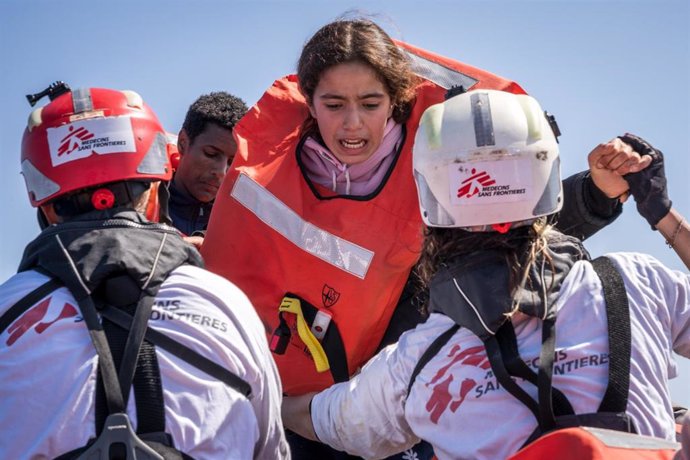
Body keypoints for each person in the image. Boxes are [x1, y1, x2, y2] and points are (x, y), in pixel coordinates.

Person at [201, 18, 649, 458]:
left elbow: (514, 219)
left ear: (395, 101)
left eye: (370, 103)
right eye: (334, 104)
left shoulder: (439, 156)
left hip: (396, 386)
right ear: (309, 102)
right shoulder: (269, 168)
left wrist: (596, 193)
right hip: (293, 400)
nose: (352, 124)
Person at [281, 89, 690, 459]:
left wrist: (266, 393)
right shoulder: (638, 283)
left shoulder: (415, 362)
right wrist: (661, 213)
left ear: (430, 197)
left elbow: (323, 419)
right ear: (546, 180)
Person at [0, 82, 289, 459]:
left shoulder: (7, 313)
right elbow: (270, 448)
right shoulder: (229, 304)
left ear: (45, 204)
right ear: (155, 190)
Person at [168, 91, 248, 237]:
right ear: (183, 143)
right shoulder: (140, 204)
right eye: (211, 154)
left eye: (232, 161)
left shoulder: (241, 224)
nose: (221, 171)